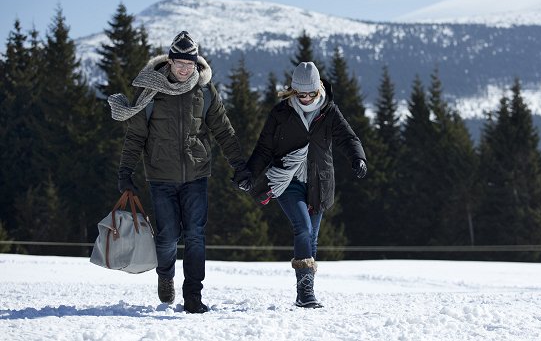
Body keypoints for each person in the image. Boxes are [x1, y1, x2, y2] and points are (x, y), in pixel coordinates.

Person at [108, 31, 252, 313]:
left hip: (196, 175)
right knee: (167, 236)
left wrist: (240, 165)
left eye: (191, 65)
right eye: (180, 64)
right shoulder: (150, 90)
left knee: (196, 235)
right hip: (161, 176)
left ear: (197, 64)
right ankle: (165, 275)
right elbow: (136, 136)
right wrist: (125, 172)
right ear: (170, 62)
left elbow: (223, 130)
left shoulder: (205, 90)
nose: (185, 70)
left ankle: (193, 296)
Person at [246, 61, 367, 308]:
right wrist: (249, 173)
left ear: (319, 88)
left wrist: (358, 158)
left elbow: (348, 138)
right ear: (294, 91)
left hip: (319, 182)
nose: (307, 99)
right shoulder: (281, 113)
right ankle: (304, 293)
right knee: (302, 228)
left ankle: (306, 290)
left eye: (311, 93)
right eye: (302, 94)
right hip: (287, 180)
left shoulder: (329, 111)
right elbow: (264, 148)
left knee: (312, 237)